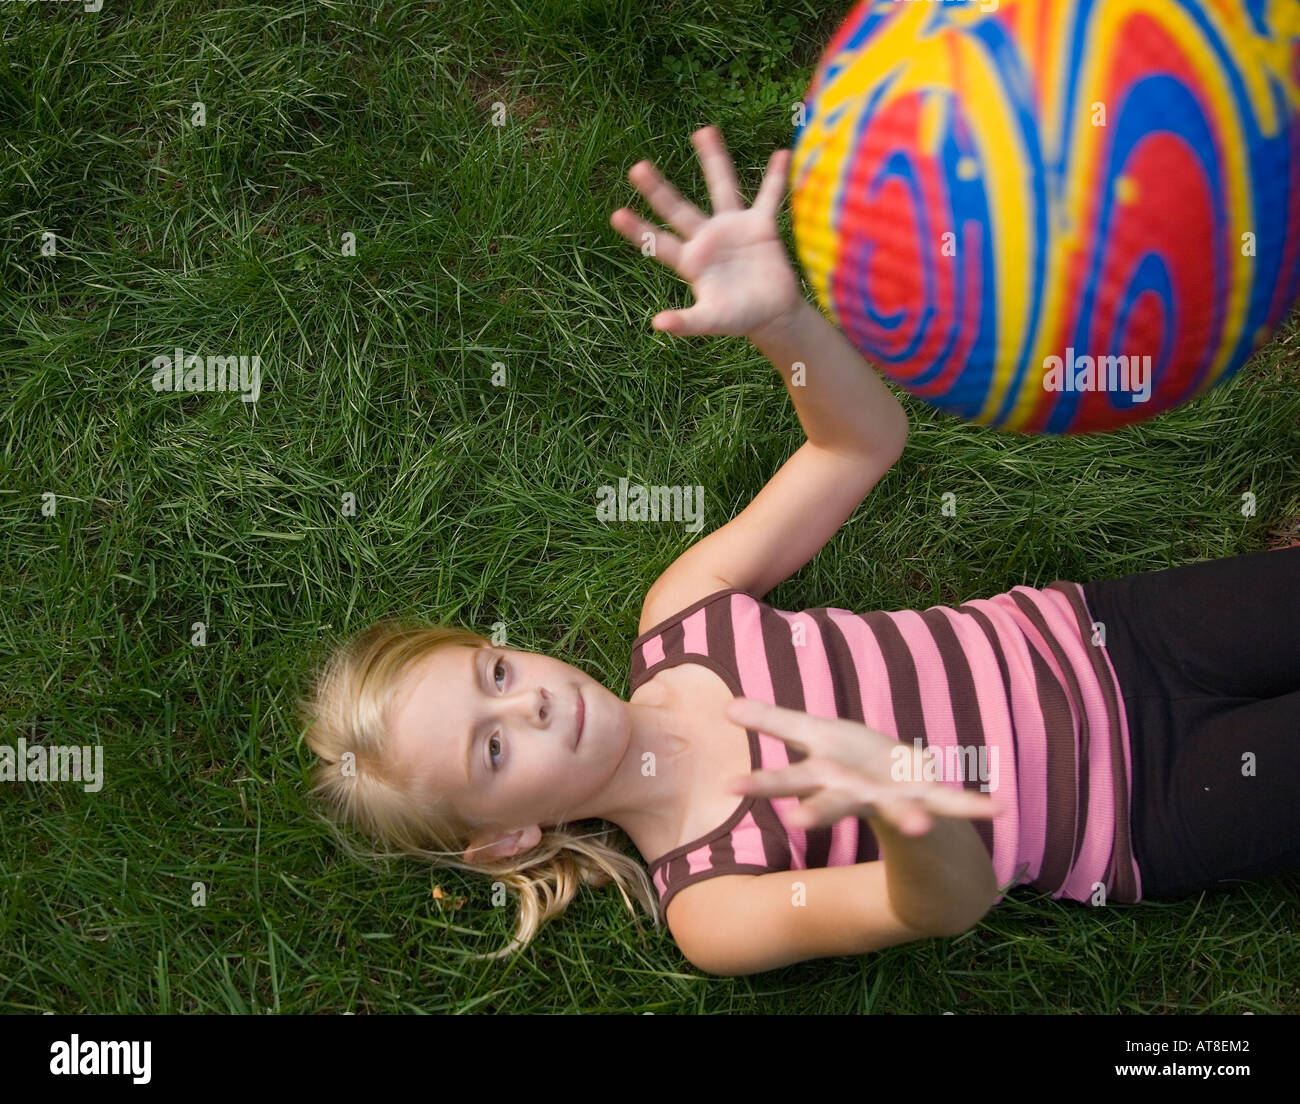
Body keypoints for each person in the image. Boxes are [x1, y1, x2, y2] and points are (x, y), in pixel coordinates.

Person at [300, 126, 1300, 976]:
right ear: (508, 840)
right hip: (1144, 807)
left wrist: (783, 323)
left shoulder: (684, 615)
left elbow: (862, 444)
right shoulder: (710, 905)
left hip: (1111, 637)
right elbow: (944, 908)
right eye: (494, 746)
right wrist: (905, 806)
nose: (530, 700)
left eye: (497, 670)